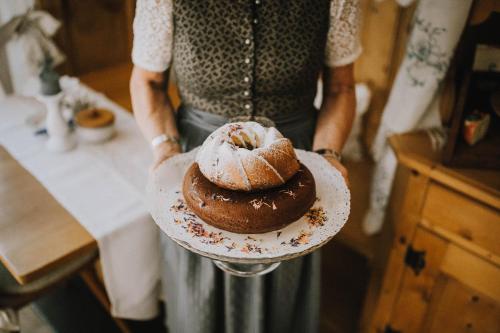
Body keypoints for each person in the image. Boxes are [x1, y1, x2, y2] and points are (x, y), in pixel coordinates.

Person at [130, 1, 361, 332]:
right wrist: (165, 148)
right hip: (200, 163)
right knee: (199, 293)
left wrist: (328, 154)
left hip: (292, 166)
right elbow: (147, 83)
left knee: (285, 286)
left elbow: (341, 87)